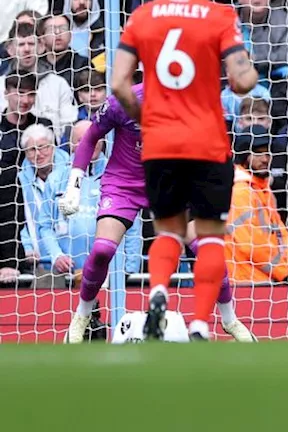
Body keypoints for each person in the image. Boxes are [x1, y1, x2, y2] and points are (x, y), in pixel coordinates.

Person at [111, 0, 260, 341]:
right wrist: (250, 74)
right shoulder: (220, 16)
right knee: (209, 234)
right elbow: (242, 81)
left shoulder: (143, 16)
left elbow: (119, 84)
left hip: (161, 143)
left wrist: (149, 119)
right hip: (208, 143)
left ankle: (158, 289)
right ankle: (199, 325)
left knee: (168, 230)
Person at [61, 83, 253, 343]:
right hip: (124, 183)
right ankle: (82, 315)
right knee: (103, 250)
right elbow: (91, 136)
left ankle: (230, 320)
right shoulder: (123, 101)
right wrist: (74, 184)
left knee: (206, 248)